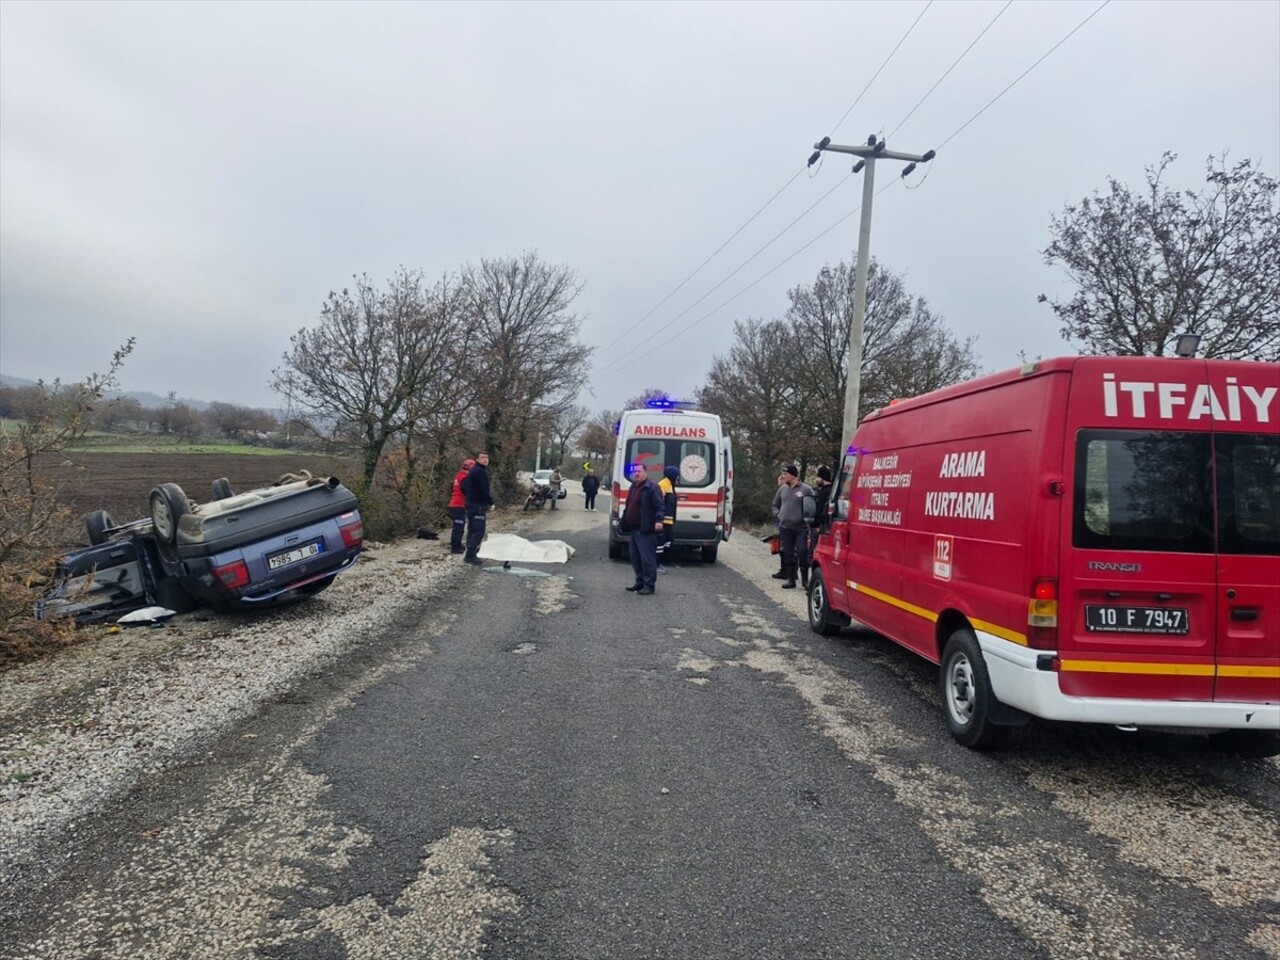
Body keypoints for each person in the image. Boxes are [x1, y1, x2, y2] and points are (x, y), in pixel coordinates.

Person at [621, 461, 664, 595]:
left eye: (639, 471)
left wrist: (659, 521)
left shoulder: (652, 487)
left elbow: (660, 506)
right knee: (635, 558)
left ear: (645, 472)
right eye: (635, 472)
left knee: (647, 559)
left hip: (645, 529)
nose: (636, 474)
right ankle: (639, 582)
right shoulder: (633, 486)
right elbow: (629, 505)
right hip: (633, 529)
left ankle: (649, 585)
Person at [771, 464, 815, 589]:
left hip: (801, 527)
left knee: (802, 551)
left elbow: (812, 506)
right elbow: (774, 505)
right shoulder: (782, 489)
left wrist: (808, 518)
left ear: (793, 475)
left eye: (785, 474)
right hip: (785, 527)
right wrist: (778, 514)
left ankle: (805, 581)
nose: (783, 476)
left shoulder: (806, 489)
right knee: (788, 553)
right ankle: (791, 579)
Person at [462, 452, 494, 566]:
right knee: (479, 530)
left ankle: (470, 550)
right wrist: (491, 502)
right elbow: (483, 490)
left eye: (487, 457)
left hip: (471, 503)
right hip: (477, 505)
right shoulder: (479, 472)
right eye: (483, 458)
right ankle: (470, 554)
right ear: (477, 459)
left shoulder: (475, 470)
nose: (485, 460)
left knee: (472, 528)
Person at [808, 465, 834, 570]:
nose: (816, 479)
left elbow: (824, 512)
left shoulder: (827, 493)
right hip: (818, 526)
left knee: (813, 554)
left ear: (822, 477)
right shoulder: (824, 491)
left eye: (817, 477)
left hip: (821, 528)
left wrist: (819, 524)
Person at [447, 458, 475, 554]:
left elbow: (452, 489)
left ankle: (457, 545)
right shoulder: (465, 478)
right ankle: (455, 547)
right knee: (459, 527)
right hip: (459, 505)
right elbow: (467, 491)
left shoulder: (458, 476)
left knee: (458, 526)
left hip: (454, 504)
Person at [656, 465, 678, 574]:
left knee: (666, 543)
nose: (678, 478)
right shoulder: (663, 485)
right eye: (677, 476)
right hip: (663, 521)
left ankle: (660, 563)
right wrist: (659, 520)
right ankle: (655, 565)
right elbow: (659, 504)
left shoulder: (670, 485)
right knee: (659, 543)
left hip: (668, 521)